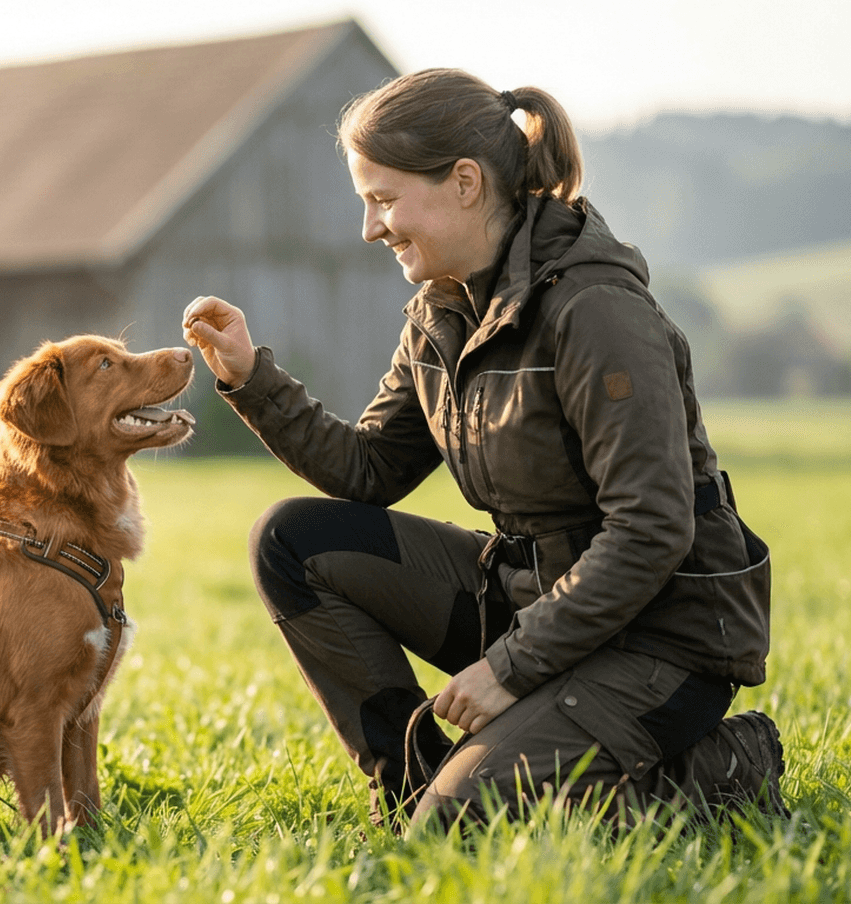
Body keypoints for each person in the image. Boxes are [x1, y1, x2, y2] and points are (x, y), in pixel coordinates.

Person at [181, 69, 786, 832]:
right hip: (534, 595)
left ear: (465, 182)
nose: (371, 228)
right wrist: (250, 379)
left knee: (466, 830)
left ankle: (725, 768)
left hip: (662, 638)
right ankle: (415, 788)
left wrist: (509, 669)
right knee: (292, 541)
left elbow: (652, 529)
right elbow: (368, 469)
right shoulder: (441, 311)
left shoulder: (597, 311)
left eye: (384, 199)